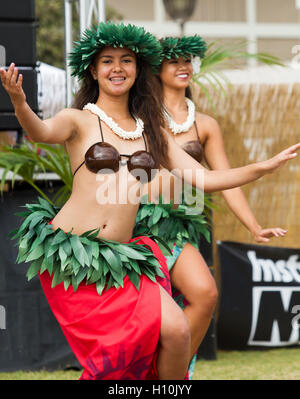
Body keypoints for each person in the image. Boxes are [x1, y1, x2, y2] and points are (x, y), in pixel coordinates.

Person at [1, 22, 299, 380]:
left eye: (126, 60)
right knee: (119, 359)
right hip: (77, 258)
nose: (117, 68)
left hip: (123, 258)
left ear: (138, 69)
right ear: (93, 71)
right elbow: (40, 131)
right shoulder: (77, 120)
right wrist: (19, 102)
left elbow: (204, 178)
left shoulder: (151, 129)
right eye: (107, 61)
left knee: (176, 331)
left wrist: (262, 167)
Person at [134, 35, 294, 379]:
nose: (183, 66)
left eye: (188, 60)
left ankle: (168, 376)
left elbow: (224, 179)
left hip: (179, 225)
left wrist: (253, 225)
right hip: (137, 224)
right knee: (150, 316)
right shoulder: (141, 116)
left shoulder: (205, 124)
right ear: (157, 68)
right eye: (174, 60)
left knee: (205, 294)